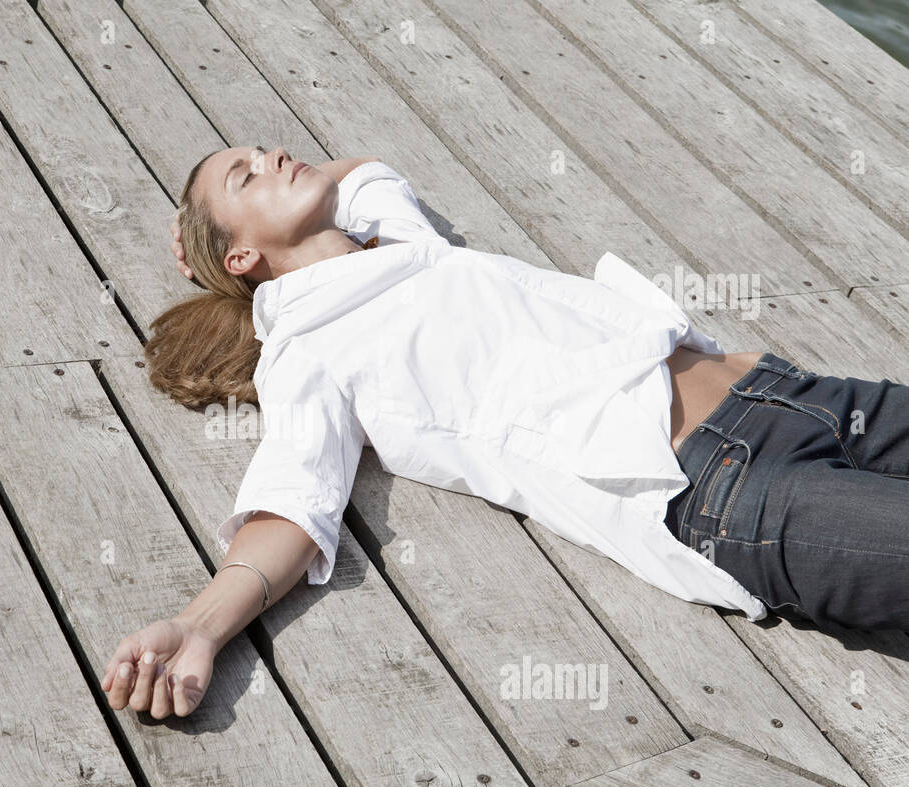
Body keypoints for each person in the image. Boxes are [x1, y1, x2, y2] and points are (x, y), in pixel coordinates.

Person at [100, 146, 909, 719]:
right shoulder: (307, 353)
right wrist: (201, 626)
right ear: (242, 257)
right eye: (248, 174)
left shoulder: (398, 239)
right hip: (721, 488)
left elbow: (365, 168)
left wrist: (226, 219)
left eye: (268, 148)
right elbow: (291, 501)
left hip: (788, 391)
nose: (275, 156)